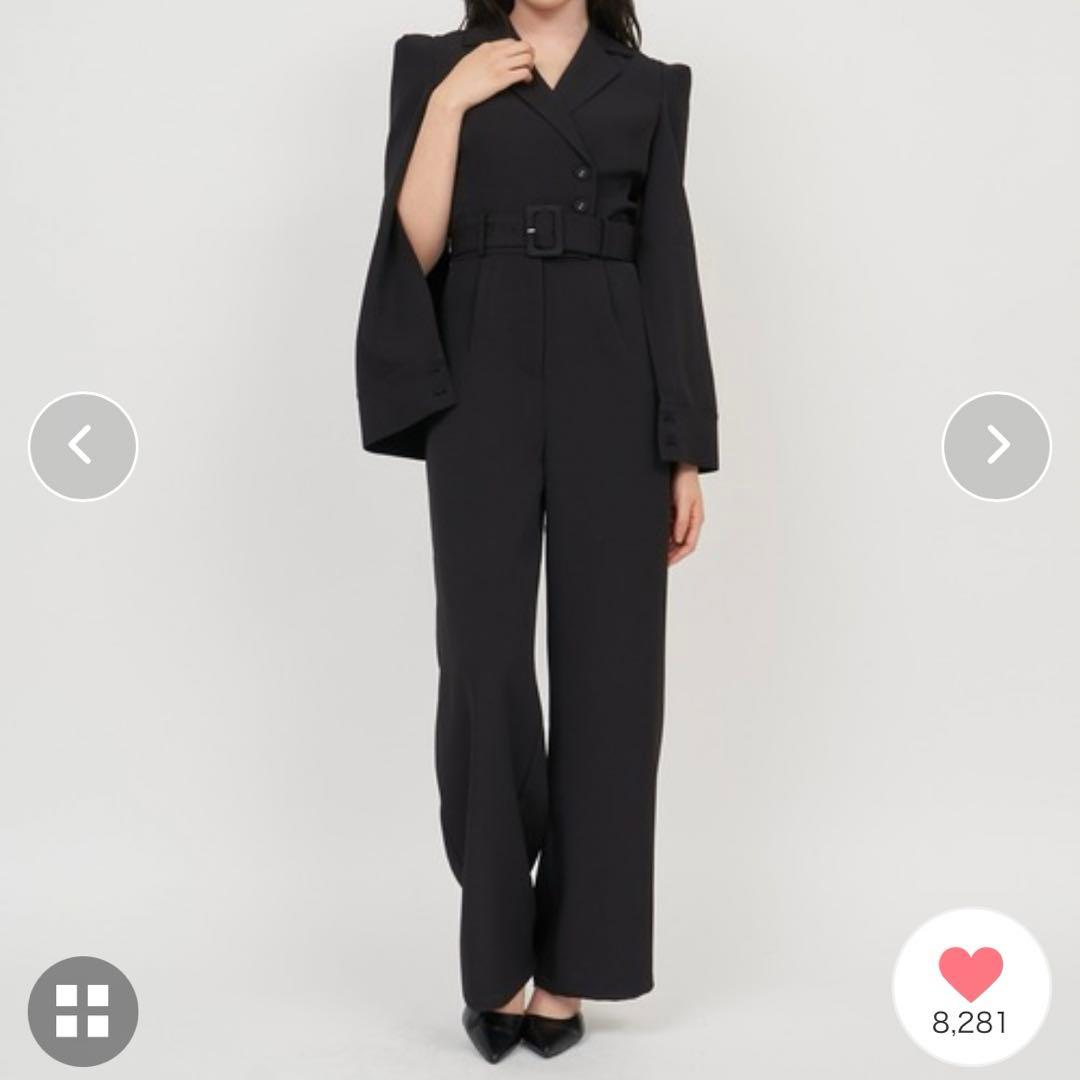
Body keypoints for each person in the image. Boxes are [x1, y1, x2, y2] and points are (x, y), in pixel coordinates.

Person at [355, 0, 718, 1061]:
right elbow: (412, 245)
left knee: (615, 677)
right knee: (483, 663)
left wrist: (685, 447)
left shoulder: (650, 87)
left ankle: (570, 969)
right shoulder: (436, 64)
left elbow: (668, 259)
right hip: (483, 373)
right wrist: (451, 105)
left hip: (616, 376)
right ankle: (497, 957)